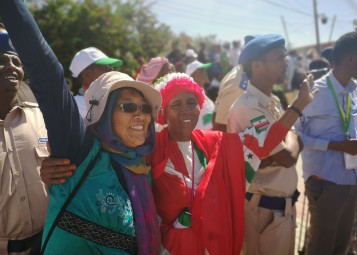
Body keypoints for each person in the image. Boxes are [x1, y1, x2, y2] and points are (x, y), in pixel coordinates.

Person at [41, 70, 315, 255]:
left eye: (192, 102)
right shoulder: (147, 148)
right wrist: (56, 167)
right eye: (177, 104)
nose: (186, 110)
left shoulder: (217, 144)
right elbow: (104, 152)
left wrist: (299, 105)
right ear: (162, 112)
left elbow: (263, 140)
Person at [0, 1, 162, 254]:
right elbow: (48, 75)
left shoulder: (140, 165)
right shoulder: (81, 151)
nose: (141, 115)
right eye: (129, 107)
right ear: (104, 113)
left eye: (145, 108)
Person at [228, 34, 304, 255]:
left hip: (281, 210)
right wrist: (297, 111)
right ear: (257, 65)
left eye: (285, 57)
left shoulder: (274, 102)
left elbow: (295, 142)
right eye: (278, 58)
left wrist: (287, 136)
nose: (285, 63)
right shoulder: (247, 107)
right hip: (264, 212)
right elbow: (287, 157)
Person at [295, 31, 357, 255]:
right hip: (325, 181)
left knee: (342, 246)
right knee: (322, 247)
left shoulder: (354, 90)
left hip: (351, 180)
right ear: (351, 58)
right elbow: (294, 135)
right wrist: (336, 146)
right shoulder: (314, 92)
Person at [0, 28, 49, 254]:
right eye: (1, 59)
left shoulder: (42, 118)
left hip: (47, 243)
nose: (11, 66)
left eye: (16, 61)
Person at [69, 47, 123, 118]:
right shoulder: (75, 106)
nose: (110, 69)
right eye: (105, 66)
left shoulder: (115, 100)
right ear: (88, 72)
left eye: (111, 66)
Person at [186, 60, 214, 130]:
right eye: (201, 71)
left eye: (204, 70)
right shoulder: (191, 97)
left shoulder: (202, 92)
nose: (205, 73)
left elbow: (205, 117)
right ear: (192, 76)